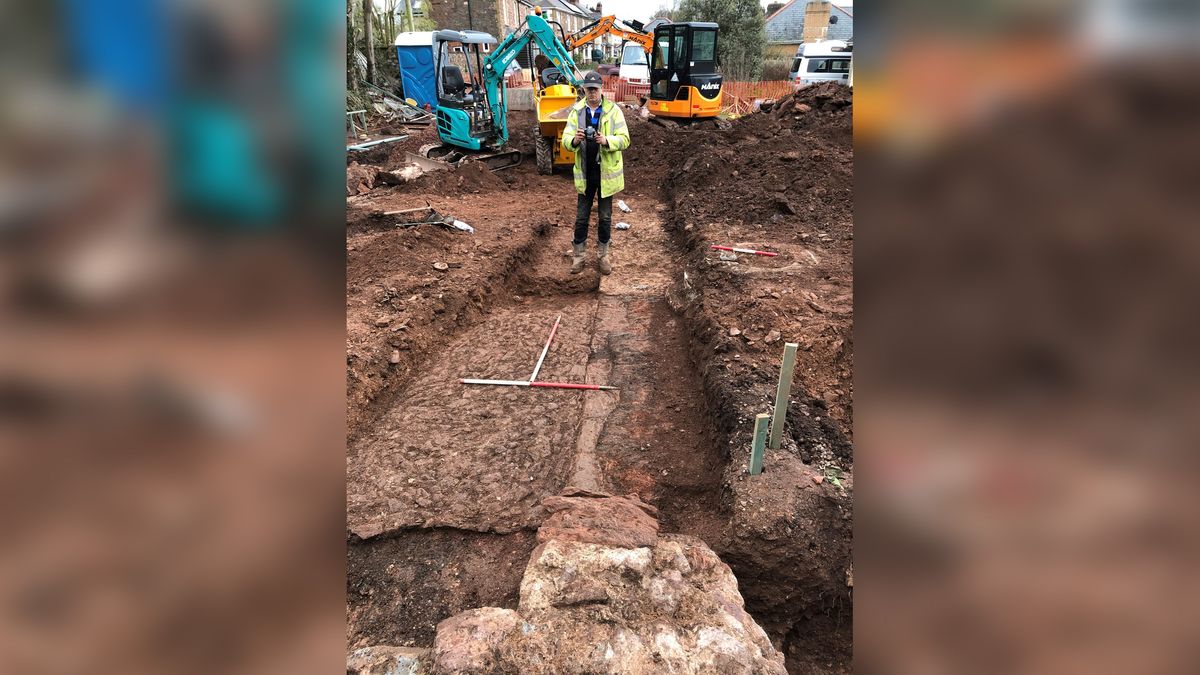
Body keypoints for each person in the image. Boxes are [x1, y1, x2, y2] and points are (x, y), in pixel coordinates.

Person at [561, 70, 630, 275]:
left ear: (601, 89)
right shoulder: (577, 111)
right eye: (588, 89)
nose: (592, 93)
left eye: (595, 89)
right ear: (584, 89)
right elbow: (566, 138)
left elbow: (625, 139)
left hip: (606, 174)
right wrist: (574, 140)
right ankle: (579, 257)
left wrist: (606, 140)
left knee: (605, 217)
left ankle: (603, 256)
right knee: (581, 217)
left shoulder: (613, 111)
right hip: (585, 172)